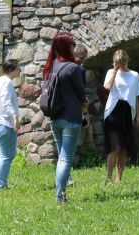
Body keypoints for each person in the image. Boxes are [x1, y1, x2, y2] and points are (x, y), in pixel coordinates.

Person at [43, 32, 87, 203]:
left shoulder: (49, 66)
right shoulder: (72, 68)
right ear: (65, 46)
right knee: (65, 158)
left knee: (61, 155)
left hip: (54, 116)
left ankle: (61, 194)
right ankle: (60, 196)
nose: (73, 47)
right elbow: (81, 93)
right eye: (72, 44)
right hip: (71, 117)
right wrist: (85, 107)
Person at [102, 49, 139, 183]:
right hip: (113, 111)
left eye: (123, 62)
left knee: (123, 148)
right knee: (114, 147)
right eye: (119, 62)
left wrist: (137, 116)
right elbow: (107, 87)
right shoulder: (111, 72)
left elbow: (136, 97)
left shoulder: (135, 75)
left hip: (127, 112)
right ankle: (108, 177)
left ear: (127, 60)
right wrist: (115, 71)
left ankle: (118, 178)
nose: (122, 65)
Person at [0, 59, 20, 191]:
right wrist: (15, 117)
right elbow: (6, 101)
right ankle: (0, 185)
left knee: (2, 154)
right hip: (3, 124)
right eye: (18, 68)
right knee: (7, 155)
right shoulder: (7, 82)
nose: (20, 70)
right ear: (11, 70)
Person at [73, 44, 93, 144]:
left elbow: (82, 93)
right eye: (82, 57)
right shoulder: (64, 68)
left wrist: (86, 114)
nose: (84, 60)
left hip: (77, 110)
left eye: (85, 57)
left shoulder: (81, 71)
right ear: (74, 54)